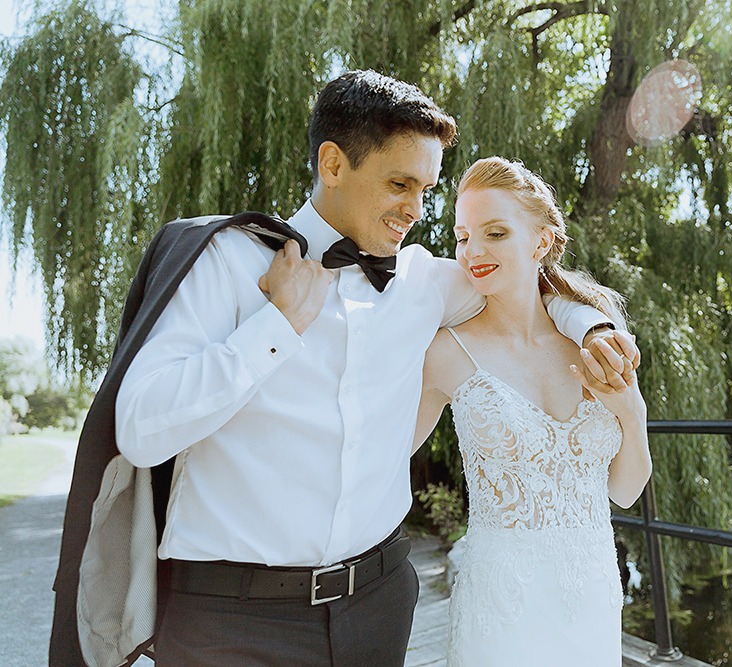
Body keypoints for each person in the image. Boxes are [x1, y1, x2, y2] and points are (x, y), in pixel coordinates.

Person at [50, 70, 639, 667]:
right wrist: (276, 327)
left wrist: (591, 325)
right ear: (333, 165)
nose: (415, 210)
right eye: (398, 183)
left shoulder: (423, 282)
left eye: (425, 190)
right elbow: (142, 430)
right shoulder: (225, 262)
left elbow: (521, 287)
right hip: (233, 621)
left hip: (375, 611)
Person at [413, 157, 652, 666]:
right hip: (501, 606)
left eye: (495, 233)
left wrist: (632, 413)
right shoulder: (445, 352)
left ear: (541, 242)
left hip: (590, 593)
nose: (473, 252)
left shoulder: (594, 342)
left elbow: (626, 491)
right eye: (461, 236)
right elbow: (382, 456)